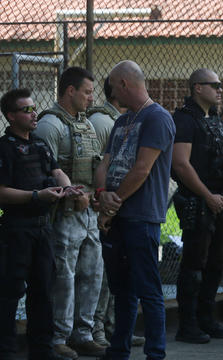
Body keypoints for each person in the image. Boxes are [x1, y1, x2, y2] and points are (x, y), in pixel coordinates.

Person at [95, 60, 175, 359]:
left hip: (140, 217)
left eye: (113, 87)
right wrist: (103, 194)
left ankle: (155, 352)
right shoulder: (121, 121)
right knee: (122, 291)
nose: (112, 93)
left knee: (148, 290)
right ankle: (119, 350)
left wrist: (111, 206)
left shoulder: (158, 118)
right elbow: (105, 163)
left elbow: (142, 169)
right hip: (117, 216)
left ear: (124, 85)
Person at [0, 89, 85, 360]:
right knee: (9, 294)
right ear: (11, 116)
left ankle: (42, 350)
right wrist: (36, 196)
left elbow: (56, 171)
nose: (33, 113)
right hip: (16, 229)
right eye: (26, 110)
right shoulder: (4, 148)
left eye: (34, 108)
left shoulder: (39, 144)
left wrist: (68, 189)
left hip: (42, 228)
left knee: (43, 292)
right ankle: (7, 350)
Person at [33, 67, 107, 359]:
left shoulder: (85, 124)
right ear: (70, 91)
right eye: (87, 92)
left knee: (92, 273)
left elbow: (95, 162)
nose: (91, 98)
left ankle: (83, 333)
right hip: (64, 213)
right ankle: (59, 336)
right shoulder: (50, 126)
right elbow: (43, 171)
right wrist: (69, 195)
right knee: (64, 276)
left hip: (88, 210)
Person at [171, 68, 223, 343]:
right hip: (199, 201)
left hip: (220, 200)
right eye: (214, 85)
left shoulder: (214, 119)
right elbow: (180, 163)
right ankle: (187, 325)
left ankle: (206, 319)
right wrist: (206, 195)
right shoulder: (184, 119)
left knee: (216, 262)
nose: (220, 90)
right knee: (194, 264)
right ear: (197, 88)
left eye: (220, 85)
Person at [87, 78, 145, 348]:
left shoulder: (126, 120)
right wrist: (104, 201)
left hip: (116, 207)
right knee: (103, 275)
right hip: (102, 207)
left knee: (116, 278)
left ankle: (114, 326)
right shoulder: (105, 122)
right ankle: (98, 329)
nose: (89, 98)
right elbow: (101, 166)